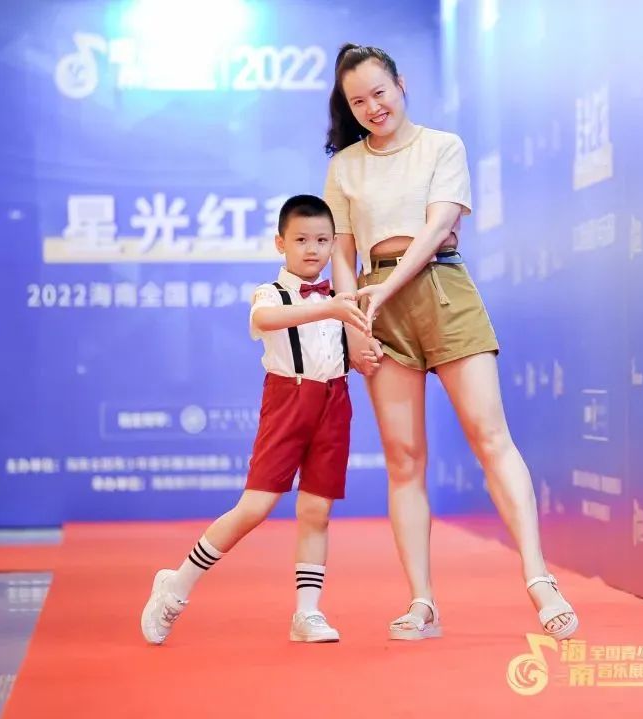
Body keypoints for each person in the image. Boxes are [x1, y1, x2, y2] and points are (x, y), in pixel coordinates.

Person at [323, 43, 579, 641]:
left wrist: (382, 295)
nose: (372, 108)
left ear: (401, 84)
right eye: (358, 102)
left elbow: (439, 226)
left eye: (379, 93)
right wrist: (353, 322)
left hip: (443, 289)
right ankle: (422, 603)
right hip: (374, 307)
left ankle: (539, 579)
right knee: (403, 459)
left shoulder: (443, 146)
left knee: (491, 437)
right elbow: (341, 254)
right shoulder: (345, 167)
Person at [140, 195, 372, 645]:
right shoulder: (272, 293)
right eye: (301, 240)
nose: (312, 249)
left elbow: (350, 352)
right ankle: (177, 584)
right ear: (280, 243)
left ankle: (307, 613)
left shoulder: (340, 298)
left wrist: (366, 352)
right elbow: (265, 319)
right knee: (255, 507)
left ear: (334, 245)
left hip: (334, 404)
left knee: (317, 510)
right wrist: (331, 308)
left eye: (322, 240)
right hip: (288, 402)